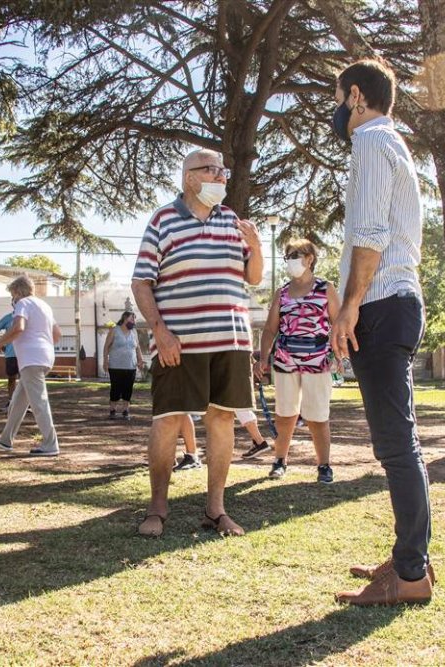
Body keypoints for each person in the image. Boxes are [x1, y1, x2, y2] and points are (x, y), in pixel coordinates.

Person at [328, 58, 433, 605]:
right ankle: (410, 557)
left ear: (357, 98)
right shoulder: (394, 143)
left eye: (339, 96)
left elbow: (369, 234)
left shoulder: (370, 142)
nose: (337, 108)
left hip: (382, 303)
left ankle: (410, 575)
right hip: (397, 302)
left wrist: (349, 308)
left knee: (396, 445)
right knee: (400, 441)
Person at [132, 147, 263, 538]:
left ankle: (215, 510)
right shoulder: (164, 219)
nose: (223, 177)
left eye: (224, 170)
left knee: (222, 418)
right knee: (169, 420)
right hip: (179, 342)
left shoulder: (231, 220)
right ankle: (157, 509)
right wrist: (159, 331)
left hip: (231, 339)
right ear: (191, 177)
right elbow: (141, 281)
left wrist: (256, 247)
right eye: (214, 170)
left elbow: (252, 277)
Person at [255, 239, 340, 484]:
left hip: (318, 361)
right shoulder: (281, 292)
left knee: (317, 415)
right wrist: (263, 358)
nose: (291, 260)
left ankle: (324, 465)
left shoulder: (326, 288)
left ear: (309, 258)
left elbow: (338, 324)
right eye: (288, 256)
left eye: (295, 255)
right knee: (285, 414)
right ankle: (280, 461)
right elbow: (270, 329)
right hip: (285, 361)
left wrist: (339, 354)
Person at [0, 276, 61, 456]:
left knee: (39, 402)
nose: (12, 299)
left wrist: (0, 343)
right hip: (43, 357)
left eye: (13, 294)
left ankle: (51, 444)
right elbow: (57, 334)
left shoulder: (23, 303)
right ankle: (6, 439)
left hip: (31, 359)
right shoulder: (44, 306)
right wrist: (43, 345)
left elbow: (18, 328)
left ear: (18, 292)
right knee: (18, 401)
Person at [103, 310, 145, 420]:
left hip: (131, 366)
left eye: (134, 319)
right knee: (116, 389)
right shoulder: (114, 330)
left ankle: (126, 411)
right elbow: (106, 346)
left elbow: (138, 348)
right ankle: (112, 410)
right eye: (132, 319)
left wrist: (140, 360)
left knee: (128, 389)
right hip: (115, 366)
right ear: (125, 318)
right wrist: (105, 361)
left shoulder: (134, 332)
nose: (134, 321)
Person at [0, 305, 20, 411]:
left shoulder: (28, 316)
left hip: (25, 354)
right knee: (11, 379)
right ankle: (11, 402)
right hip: (11, 353)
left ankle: (27, 404)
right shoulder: (8, 318)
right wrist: (0, 343)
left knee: (25, 380)